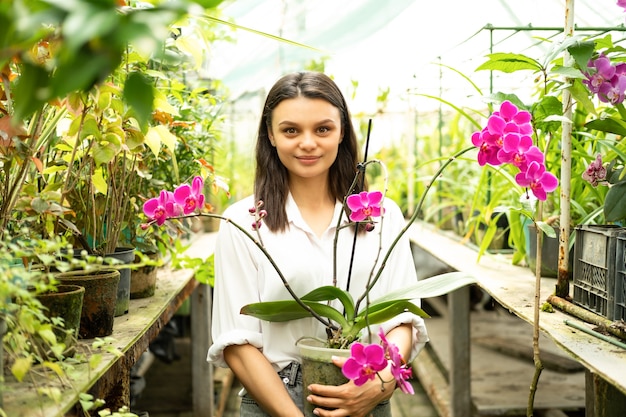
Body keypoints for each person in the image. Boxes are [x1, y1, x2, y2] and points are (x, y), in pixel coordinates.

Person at [207, 71, 429, 417]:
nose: (307, 143)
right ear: (271, 135)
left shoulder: (382, 215)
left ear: (342, 132)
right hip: (278, 398)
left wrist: (380, 382)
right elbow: (237, 341)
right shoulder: (244, 222)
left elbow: (403, 317)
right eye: (291, 130)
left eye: (322, 129)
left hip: (365, 393)